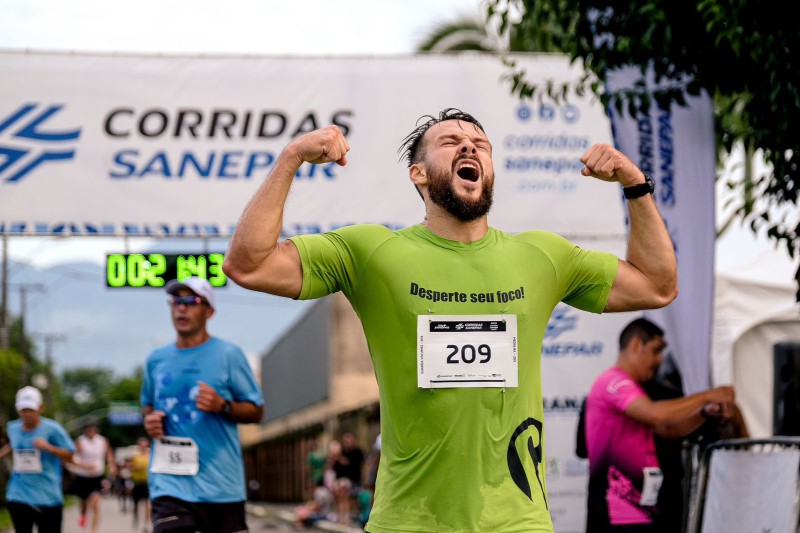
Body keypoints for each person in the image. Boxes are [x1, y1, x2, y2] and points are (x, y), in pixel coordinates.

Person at [222, 108, 678, 532]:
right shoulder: (372, 253)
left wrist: (635, 184)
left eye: (480, 144)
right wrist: (290, 158)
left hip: (519, 521)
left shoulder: (542, 255)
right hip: (409, 520)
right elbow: (249, 264)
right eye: (450, 141)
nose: (469, 147)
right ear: (418, 175)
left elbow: (656, 285)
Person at [584, 318, 737, 532]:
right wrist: (707, 395)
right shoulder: (613, 382)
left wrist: (704, 413)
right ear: (636, 344)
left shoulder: (633, 388)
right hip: (615, 514)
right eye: (656, 351)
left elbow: (667, 430)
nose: (659, 360)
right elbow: (657, 415)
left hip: (641, 510)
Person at [141, 276, 265, 533]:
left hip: (221, 485)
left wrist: (223, 405)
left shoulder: (228, 355)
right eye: (176, 301)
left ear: (210, 311)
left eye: (192, 301)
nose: (182, 307)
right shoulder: (156, 359)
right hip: (169, 482)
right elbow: (147, 405)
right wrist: (150, 421)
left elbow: (256, 411)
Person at [0, 386, 76, 533]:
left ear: (40, 408)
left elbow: (70, 454)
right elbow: (13, 446)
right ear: (18, 409)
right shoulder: (13, 428)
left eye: (30, 409)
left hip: (48, 496)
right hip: (19, 494)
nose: (27, 414)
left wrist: (49, 447)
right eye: (23, 410)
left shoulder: (53, 429)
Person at [72, 420, 116, 533]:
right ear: (85, 431)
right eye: (88, 430)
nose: (91, 432)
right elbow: (72, 458)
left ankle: (93, 530)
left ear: (96, 430)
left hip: (97, 476)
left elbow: (108, 453)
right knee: (83, 503)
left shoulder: (102, 440)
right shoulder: (80, 441)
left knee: (95, 503)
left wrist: (111, 464)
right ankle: (83, 515)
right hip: (83, 476)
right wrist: (84, 466)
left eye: (93, 429)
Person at [130, 436, 151, 530]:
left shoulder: (150, 454)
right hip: (137, 482)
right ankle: (136, 517)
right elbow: (130, 466)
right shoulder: (135, 455)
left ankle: (146, 523)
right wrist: (136, 467)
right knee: (136, 504)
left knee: (148, 504)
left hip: (147, 482)